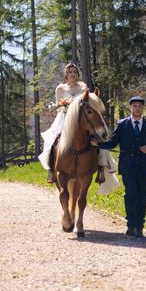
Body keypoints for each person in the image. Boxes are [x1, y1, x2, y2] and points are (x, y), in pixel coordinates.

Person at [38, 63, 119, 195]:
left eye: (75, 71)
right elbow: (59, 105)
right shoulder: (60, 88)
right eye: (70, 72)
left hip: (80, 118)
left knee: (96, 138)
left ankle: (102, 166)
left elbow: (87, 102)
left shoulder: (83, 87)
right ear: (66, 74)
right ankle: (52, 167)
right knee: (52, 140)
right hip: (64, 118)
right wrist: (65, 106)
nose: (73, 74)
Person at [93, 95, 146, 237]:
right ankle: (131, 225)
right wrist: (98, 144)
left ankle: (140, 226)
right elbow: (112, 142)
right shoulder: (122, 124)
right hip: (128, 166)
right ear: (130, 108)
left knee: (143, 196)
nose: (137, 108)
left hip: (144, 167)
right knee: (131, 195)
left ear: (143, 108)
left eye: (140, 106)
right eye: (134, 106)